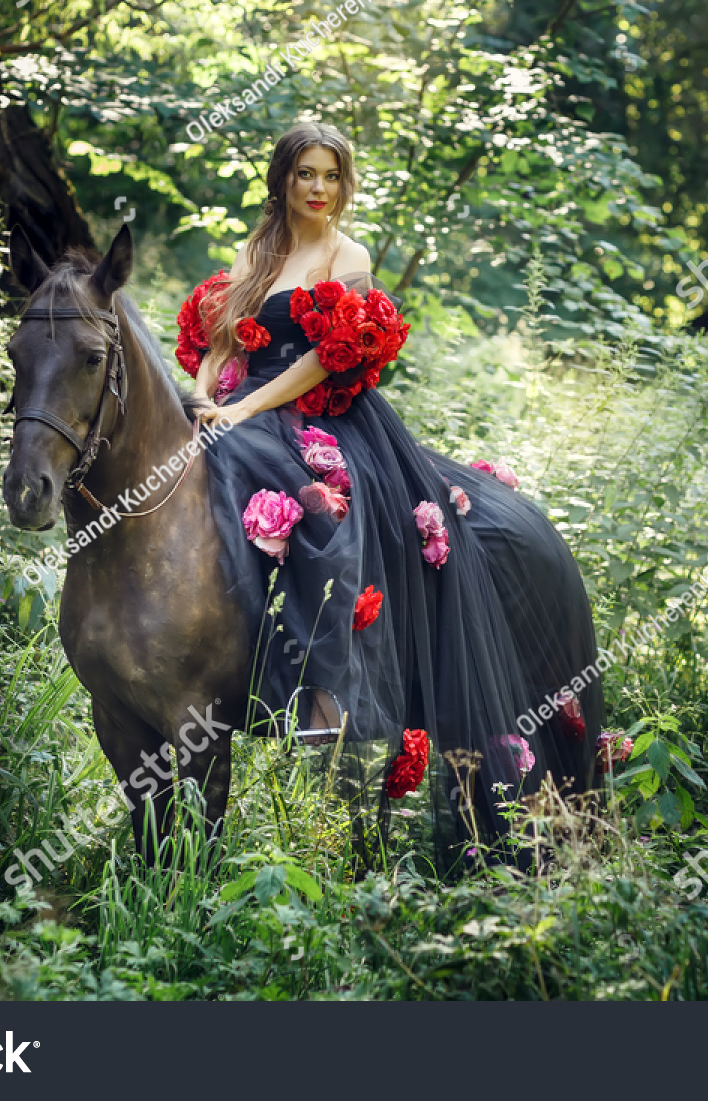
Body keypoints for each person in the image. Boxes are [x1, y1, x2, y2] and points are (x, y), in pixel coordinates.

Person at [180, 121, 601, 862]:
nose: (318, 188)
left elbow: (319, 361)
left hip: (324, 418)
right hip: (243, 404)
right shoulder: (258, 250)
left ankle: (319, 693)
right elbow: (224, 339)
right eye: (305, 173)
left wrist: (243, 409)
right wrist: (200, 397)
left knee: (327, 513)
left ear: (345, 183)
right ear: (282, 179)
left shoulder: (349, 256)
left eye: (331, 175)